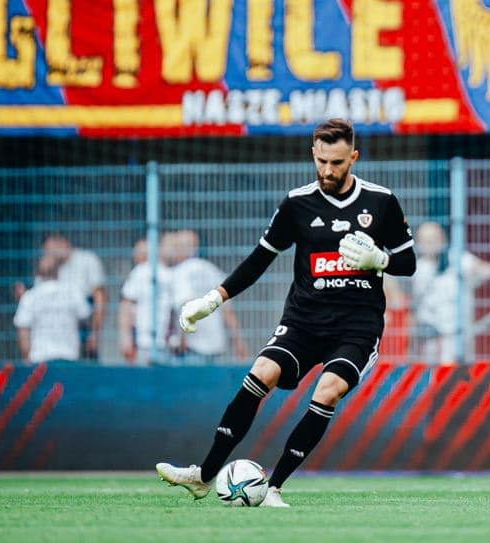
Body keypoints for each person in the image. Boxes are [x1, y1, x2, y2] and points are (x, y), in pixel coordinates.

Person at [155, 118, 417, 507]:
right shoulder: (297, 204)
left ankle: (273, 487)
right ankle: (203, 476)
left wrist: (380, 260)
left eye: (338, 163)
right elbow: (258, 260)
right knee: (261, 372)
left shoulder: (381, 202)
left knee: (328, 389)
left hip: (356, 327)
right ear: (313, 154)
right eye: (322, 161)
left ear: (353, 158)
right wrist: (211, 300)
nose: (328, 170)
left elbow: (408, 263)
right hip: (303, 321)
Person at [410, 221, 490, 364]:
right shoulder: (417, 268)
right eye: (424, 240)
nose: (429, 243)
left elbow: (487, 270)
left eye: (433, 238)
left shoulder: (457, 258)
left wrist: (476, 275)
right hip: (430, 333)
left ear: (443, 239)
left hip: (457, 332)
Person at [167, 229, 246, 363]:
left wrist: (182, 338)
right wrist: (238, 341)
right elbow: (227, 310)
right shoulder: (212, 270)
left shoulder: (180, 272)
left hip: (191, 346)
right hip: (215, 343)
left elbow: (187, 306)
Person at [14, 249, 92, 364]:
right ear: (58, 270)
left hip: (39, 359)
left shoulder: (30, 297)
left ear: (38, 273)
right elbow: (85, 316)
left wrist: (26, 358)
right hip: (68, 356)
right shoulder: (72, 293)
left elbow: (23, 330)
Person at [40, 232, 107, 360]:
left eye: (50, 251)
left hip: (82, 324)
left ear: (63, 243)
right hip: (53, 330)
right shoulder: (50, 268)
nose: (49, 255)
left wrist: (94, 333)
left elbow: (99, 298)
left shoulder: (86, 260)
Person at [118, 238, 175, 365]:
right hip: (166, 342)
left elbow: (126, 305)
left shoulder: (140, 272)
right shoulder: (171, 274)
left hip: (143, 341)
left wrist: (125, 337)